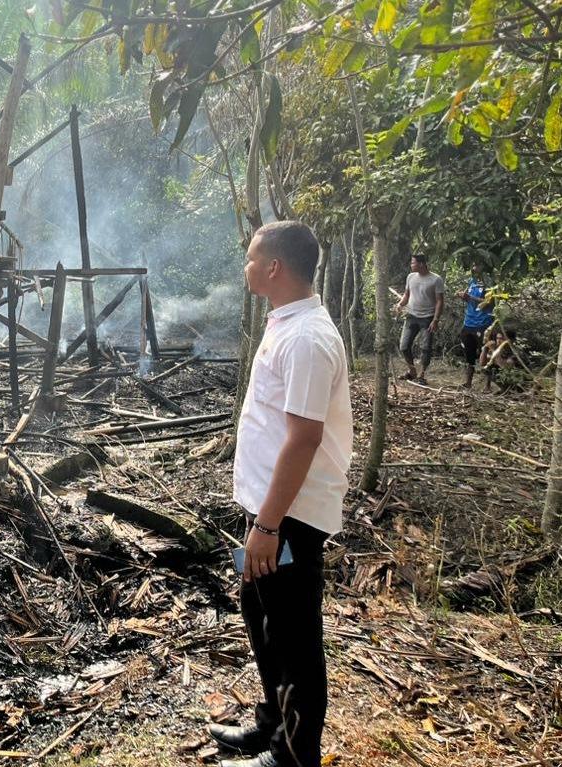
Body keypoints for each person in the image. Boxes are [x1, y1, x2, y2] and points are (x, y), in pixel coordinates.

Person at [213, 221, 352, 767]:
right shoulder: (285, 323)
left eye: (251, 258)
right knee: (260, 611)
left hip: (287, 517)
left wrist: (268, 528)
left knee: (293, 632)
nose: (245, 266)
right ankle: (270, 724)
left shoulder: (307, 339)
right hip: (264, 511)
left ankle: (293, 757)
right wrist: (258, 520)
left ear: (274, 267)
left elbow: (304, 438)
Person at [395, 254, 444, 385]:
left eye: (413, 263)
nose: (411, 265)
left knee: (426, 347)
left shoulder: (436, 279)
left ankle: (422, 375)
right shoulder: (410, 277)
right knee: (404, 346)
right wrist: (400, 305)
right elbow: (406, 295)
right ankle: (412, 371)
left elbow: (440, 301)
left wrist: (436, 320)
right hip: (411, 316)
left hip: (427, 318)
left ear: (421, 264)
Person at [457, 263, 494, 389]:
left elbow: (489, 303)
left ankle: (488, 385)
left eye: (476, 265)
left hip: (483, 323)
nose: (473, 268)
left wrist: (470, 297)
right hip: (469, 322)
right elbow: (470, 300)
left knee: (486, 353)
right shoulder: (472, 281)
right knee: (469, 353)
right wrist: (464, 297)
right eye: (472, 265)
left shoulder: (489, 282)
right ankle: (468, 382)